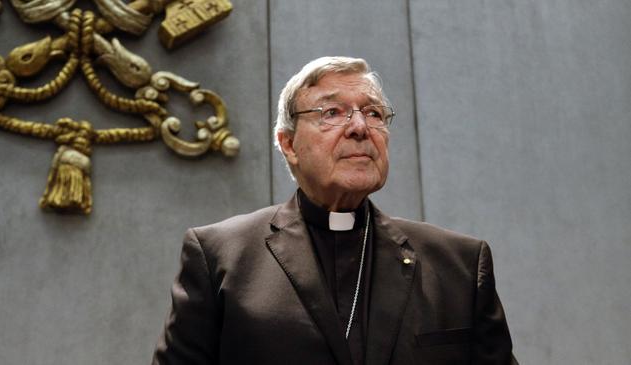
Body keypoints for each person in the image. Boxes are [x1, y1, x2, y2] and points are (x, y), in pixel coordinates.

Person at [151, 56, 517, 365]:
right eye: (332, 112)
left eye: (373, 113)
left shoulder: (459, 265)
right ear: (289, 144)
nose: (359, 127)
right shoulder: (220, 257)